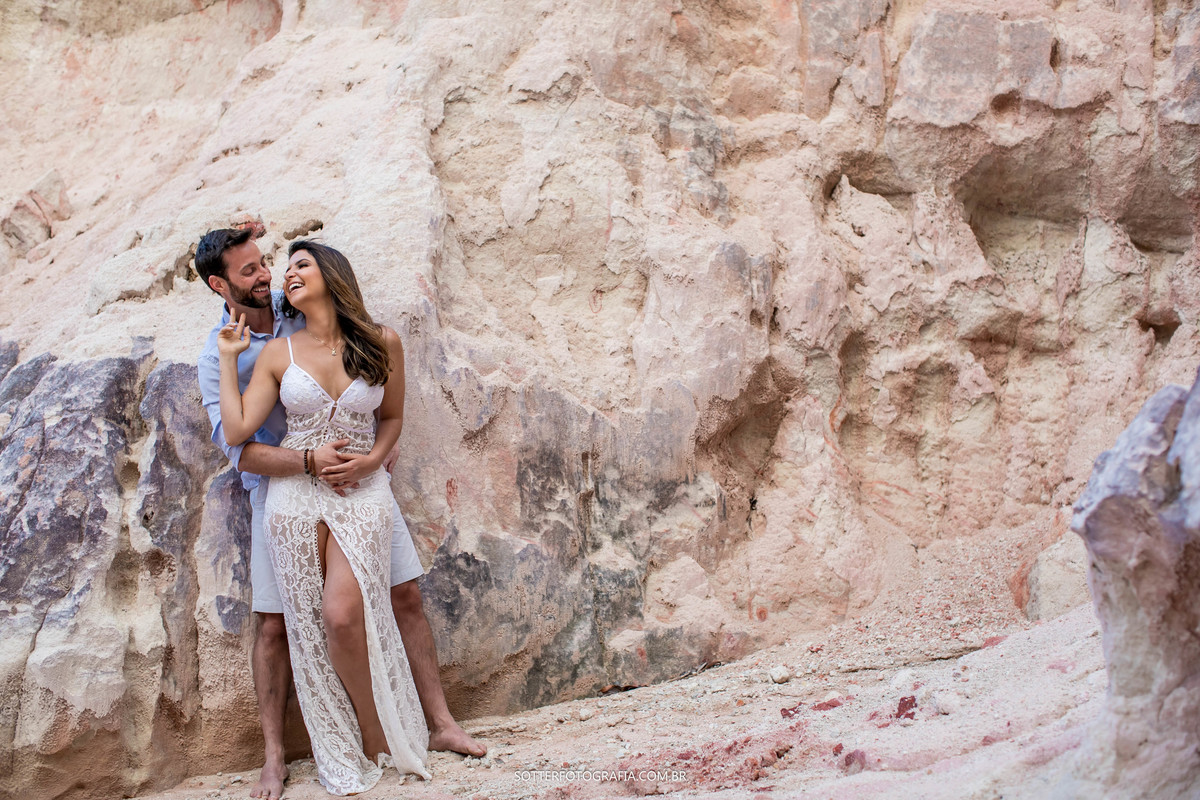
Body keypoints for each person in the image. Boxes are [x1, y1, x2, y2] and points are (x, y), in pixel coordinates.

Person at [195, 227, 484, 798]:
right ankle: (276, 759)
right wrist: (306, 459)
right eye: (251, 271)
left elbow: (390, 414)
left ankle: (441, 724)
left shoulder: (312, 314)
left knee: (404, 595)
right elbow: (238, 443)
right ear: (220, 285)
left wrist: (371, 460)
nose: (269, 278)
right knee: (277, 625)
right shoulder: (225, 351)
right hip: (281, 494)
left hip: (364, 488)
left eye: (268, 265)